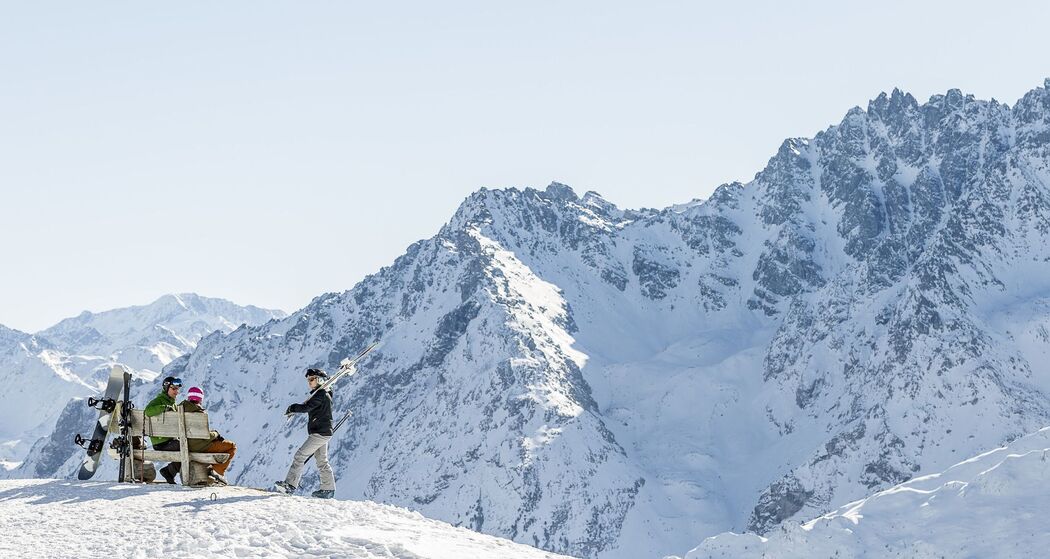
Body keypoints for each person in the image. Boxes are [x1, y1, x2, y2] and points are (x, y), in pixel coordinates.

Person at [274, 368, 336, 498]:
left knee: (300, 456)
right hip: (323, 432)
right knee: (321, 460)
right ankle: (328, 489)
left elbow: (307, 407)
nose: (309, 382)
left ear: (319, 379)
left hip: (319, 433)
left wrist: (292, 407)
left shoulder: (321, 395)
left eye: (312, 379)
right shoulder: (322, 393)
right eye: (308, 379)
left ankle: (290, 486)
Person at [181, 386, 238, 485]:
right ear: (200, 399)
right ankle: (217, 473)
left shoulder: (180, 410)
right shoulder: (198, 413)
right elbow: (205, 435)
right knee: (231, 446)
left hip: (184, 445)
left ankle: (214, 473)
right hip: (200, 446)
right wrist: (216, 434)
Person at [144, 376, 183, 484]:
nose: (176, 391)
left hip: (170, 441)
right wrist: (163, 408)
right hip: (161, 443)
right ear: (166, 388)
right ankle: (169, 471)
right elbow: (148, 411)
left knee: (186, 445)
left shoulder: (173, 403)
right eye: (173, 388)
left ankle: (169, 472)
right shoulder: (159, 401)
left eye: (177, 389)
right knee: (184, 446)